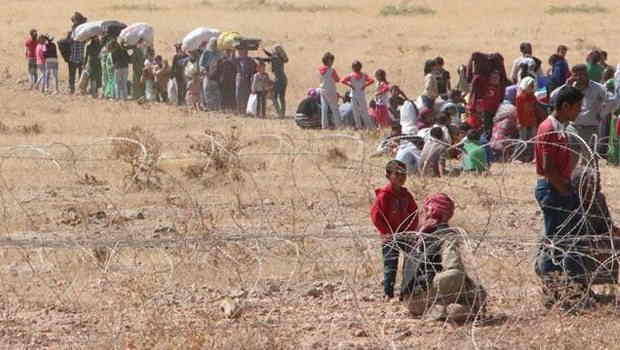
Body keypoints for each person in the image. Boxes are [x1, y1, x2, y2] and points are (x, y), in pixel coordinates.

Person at [534, 85, 588, 310]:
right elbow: (548, 168)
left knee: (566, 239)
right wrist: (565, 192)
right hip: (552, 190)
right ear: (565, 106)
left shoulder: (562, 128)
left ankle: (573, 288)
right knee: (555, 242)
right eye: (577, 108)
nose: (578, 112)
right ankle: (552, 290)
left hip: (561, 188)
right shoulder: (549, 129)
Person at [403, 193, 487, 322]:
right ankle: (445, 309)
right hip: (423, 297)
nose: (424, 213)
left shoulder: (418, 232)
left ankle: (444, 309)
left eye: (426, 210)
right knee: (459, 277)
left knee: (469, 290)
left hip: (410, 299)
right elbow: (454, 268)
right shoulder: (446, 236)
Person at [370, 160, 419, 301]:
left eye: (404, 174)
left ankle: (406, 292)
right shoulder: (384, 196)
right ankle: (388, 293)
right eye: (397, 174)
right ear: (388, 175)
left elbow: (414, 213)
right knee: (390, 264)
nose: (401, 178)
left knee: (410, 262)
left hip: (406, 235)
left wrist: (410, 230)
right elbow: (376, 216)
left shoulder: (406, 195)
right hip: (390, 236)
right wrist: (387, 232)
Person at [550, 64, 606, 158]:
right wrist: (566, 86)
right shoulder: (570, 88)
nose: (579, 78)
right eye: (576, 75)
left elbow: (611, 101)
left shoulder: (598, 89)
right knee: (570, 159)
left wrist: (602, 113)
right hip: (573, 128)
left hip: (590, 129)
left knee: (589, 161)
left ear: (587, 75)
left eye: (582, 75)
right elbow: (553, 97)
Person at [341, 60, 375, 129]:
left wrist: (350, 85)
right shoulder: (363, 75)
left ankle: (359, 126)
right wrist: (365, 85)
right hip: (361, 95)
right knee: (364, 111)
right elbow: (372, 80)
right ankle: (369, 126)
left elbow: (342, 80)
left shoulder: (351, 75)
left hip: (354, 95)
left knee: (356, 111)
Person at [516, 76, 538, 162]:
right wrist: (519, 122)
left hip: (532, 121)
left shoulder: (532, 96)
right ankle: (517, 157)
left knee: (534, 139)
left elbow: (534, 108)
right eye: (530, 85)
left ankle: (532, 157)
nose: (532, 87)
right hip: (523, 122)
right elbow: (519, 111)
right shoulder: (520, 97)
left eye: (533, 85)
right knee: (522, 140)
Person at [264, 44, 288, 118]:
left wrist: (259, 58)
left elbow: (268, 58)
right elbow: (270, 56)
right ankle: (282, 113)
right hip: (284, 79)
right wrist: (265, 51)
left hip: (278, 80)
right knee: (281, 97)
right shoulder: (280, 58)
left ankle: (279, 113)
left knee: (273, 96)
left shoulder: (275, 58)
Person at [319, 52, 341, 129]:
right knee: (334, 108)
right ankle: (339, 125)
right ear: (329, 61)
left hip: (322, 90)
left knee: (324, 108)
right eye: (332, 60)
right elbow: (337, 79)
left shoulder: (320, 70)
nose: (332, 62)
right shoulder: (331, 70)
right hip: (330, 90)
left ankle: (324, 125)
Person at [68, 12, 87, 94]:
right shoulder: (82, 31)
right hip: (78, 55)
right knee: (77, 74)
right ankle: (77, 89)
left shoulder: (74, 31)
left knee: (75, 74)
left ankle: (74, 89)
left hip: (75, 56)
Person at [235, 49, 257, 115]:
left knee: (246, 96)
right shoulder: (237, 60)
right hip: (239, 79)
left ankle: (245, 111)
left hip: (247, 80)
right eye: (240, 52)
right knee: (238, 95)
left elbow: (254, 69)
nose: (241, 53)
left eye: (243, 52)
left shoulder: (250, 60)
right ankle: (239, 110)